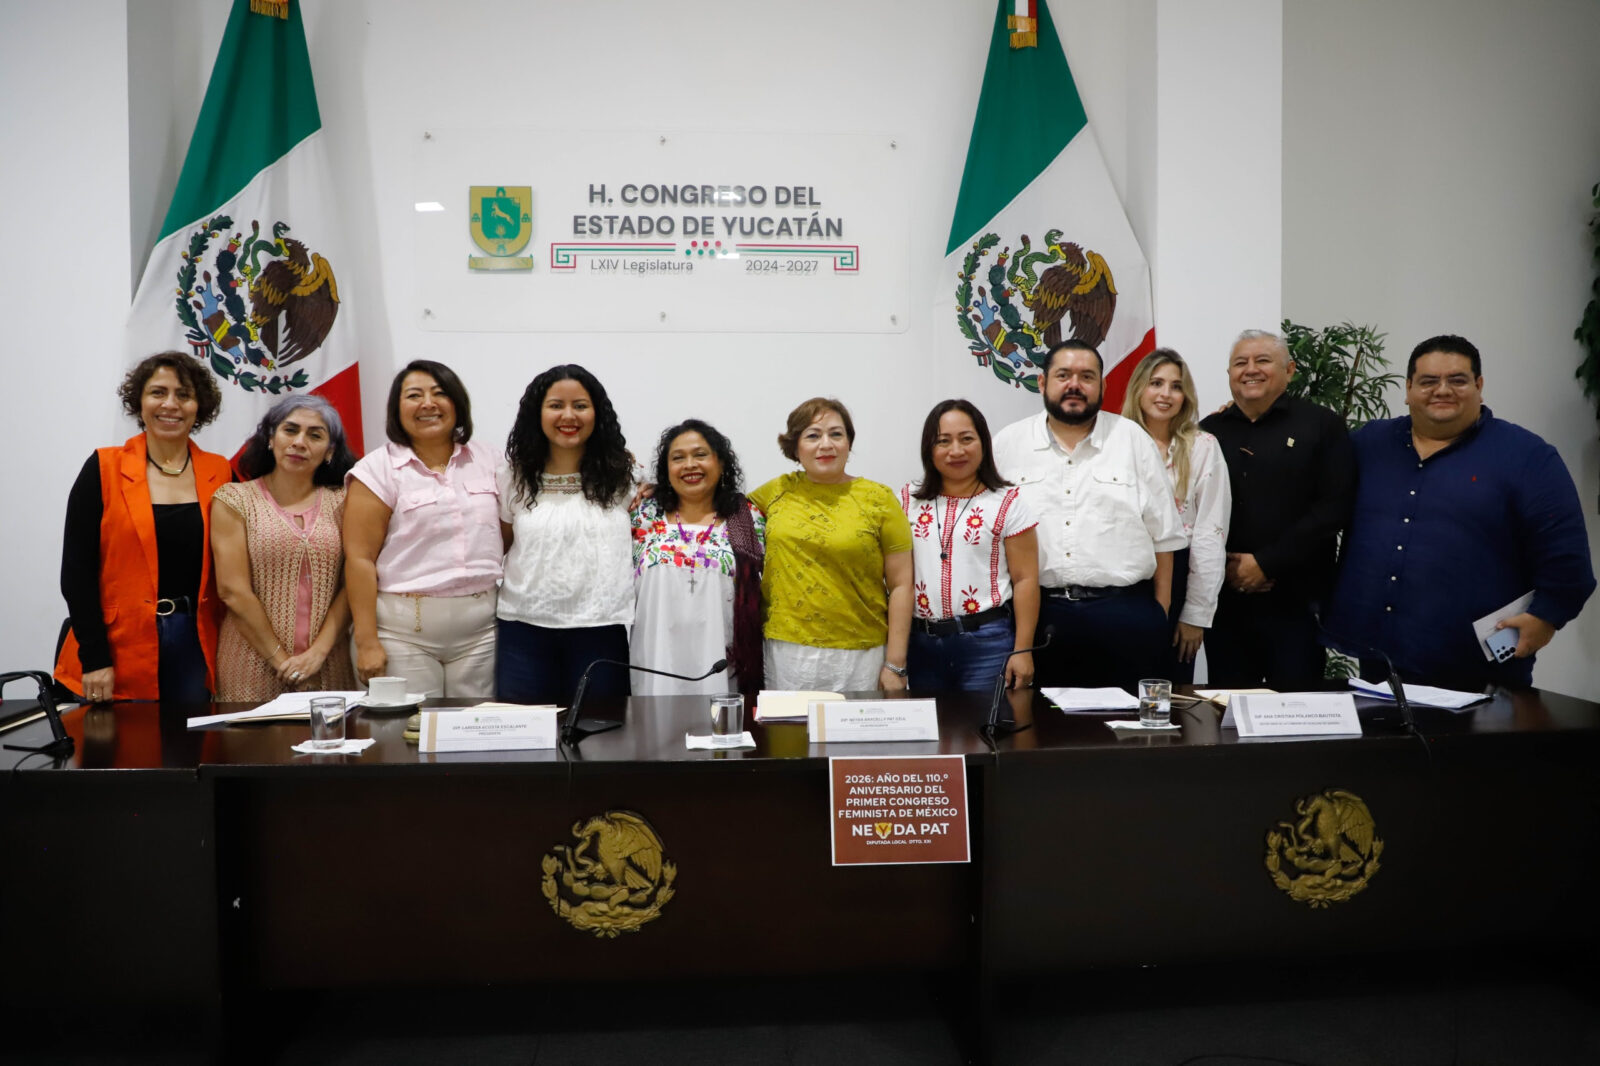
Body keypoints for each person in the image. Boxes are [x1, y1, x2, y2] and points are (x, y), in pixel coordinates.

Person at [1324, 335, 1595, 689]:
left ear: (1479, 386)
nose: (1442, 390)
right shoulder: (1369, 443)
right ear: (1407, 388)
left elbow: (1568, 559)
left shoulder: (1528, 457)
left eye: (1457, 380)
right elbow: (1311, 494)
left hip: (1478, 670)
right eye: (1428, 381)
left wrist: (1546, 618)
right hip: (1378, 662)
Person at [992, 340, 1185, 693]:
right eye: (1063, 375)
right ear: (1042, 382)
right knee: (1039, 724)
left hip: (1126, 617)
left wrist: (1160, 611)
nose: (1074, 385)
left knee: (1130, 726)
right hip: (1039, 619)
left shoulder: (1133, 440)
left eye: (1086, 377)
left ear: (1103, 385)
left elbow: (1165, 537)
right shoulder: (1009, 444)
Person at [55, 352, 231, 704]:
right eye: (158, 392)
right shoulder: (103, 467)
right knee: (121, 740)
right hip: (117, 644)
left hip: (196, 643)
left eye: (184, 394)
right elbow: (76, 572)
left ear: (199, 406)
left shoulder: (221, 472)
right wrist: (95, 658)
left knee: (190, 738)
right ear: (139, 401)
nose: (170, 404)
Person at [1200, 330, 1355, 689]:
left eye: (1263, 360)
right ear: (1229, 373)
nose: (1250, 369)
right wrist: (1227, 567)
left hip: (1296, 604)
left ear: (1290, 370)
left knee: (1298, 708)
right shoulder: (1208, 432)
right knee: (1228, 706)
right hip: (1226, 604)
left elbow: (1334, 508)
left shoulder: (1322, 425)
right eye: (1240, 362)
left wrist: (1265, 563)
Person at [344, 361, 502, 698]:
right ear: (396, 409)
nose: (428, 404)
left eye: (439, 393)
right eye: (414, 395)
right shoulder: (377, 469)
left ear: (457, 403)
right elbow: (359, 559)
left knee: (477, 727)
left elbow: (509, 533)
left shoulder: (490, 460)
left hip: (483, 633)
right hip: (402, 633)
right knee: (408, 728)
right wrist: (367, 642)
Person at [748, 398, 913, 692]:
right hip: (787, 653)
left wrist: (895, 664)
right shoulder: (776, 491)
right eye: (813, 435)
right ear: (795, 447)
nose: (826, 445)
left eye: (836, 434)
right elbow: (717, 512)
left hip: (861, 654)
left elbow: (902, 585)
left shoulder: (879, 498)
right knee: (790, 724)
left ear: (849, 443)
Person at [497, 364, 635, 705]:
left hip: (601, 628)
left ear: (597, 413)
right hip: (524, 629)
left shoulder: (626, 477)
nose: (569, 416)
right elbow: (501, 545)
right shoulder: (512, 477)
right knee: (525, 733)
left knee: (602, 732)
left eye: (580, 405)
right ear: (537, 413)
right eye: (556, 405)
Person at [211, 396, 359, 700]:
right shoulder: (234, 499)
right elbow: (233, 591)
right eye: (290, 430)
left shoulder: (346, 501)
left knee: (328, 733)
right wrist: (285, 664)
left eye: (315, 435)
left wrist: (316, 655)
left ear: (330, 451)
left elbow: (353, 584)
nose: (299, 442)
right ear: (270, 438)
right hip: (250, 667)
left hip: (327, 665)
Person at [899, 399, 1040, 691]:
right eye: (943, 441)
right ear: (929, 448)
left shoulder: (1007, 502)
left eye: (966, 439)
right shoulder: (907, 499)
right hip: (922, 644)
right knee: (929, 721)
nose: (956, 451)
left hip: (987, 643)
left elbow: (1025, 579)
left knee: (984, 721)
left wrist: (1023, 650)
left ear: (983, 443)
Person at [1121, 349, 1232, 684]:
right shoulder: (1114, 443)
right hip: (1121, 578)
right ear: (1139, 388)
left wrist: (1196, 613)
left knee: (1169, 688)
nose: (1165, 394)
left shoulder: (1203, 446)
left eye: (1176, 386)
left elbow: (1211, 532)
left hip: (1181, 572)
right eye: (1156, 383)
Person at [631, 420, 765, 696]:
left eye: (700, 455)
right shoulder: (643, 515)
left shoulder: (748, 518)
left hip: (723, 664)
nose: (690, 465)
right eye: (678, 458)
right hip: (655, 660)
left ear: (721, 462)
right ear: (666, 469)